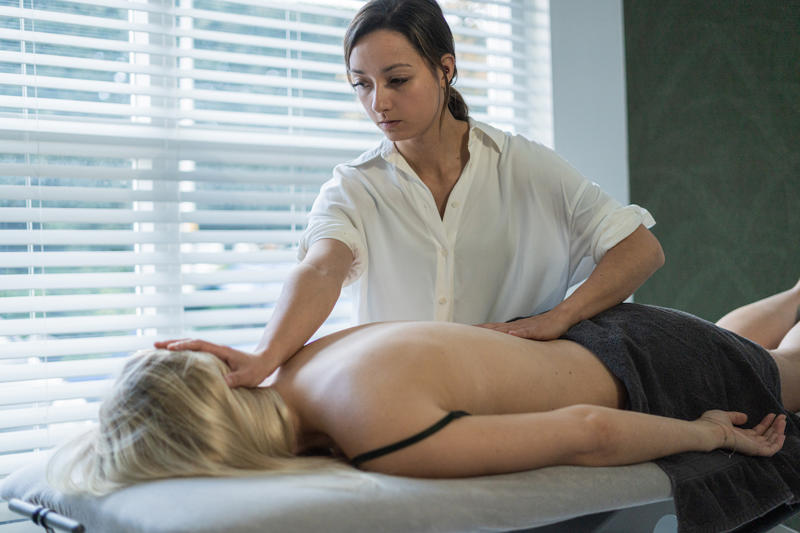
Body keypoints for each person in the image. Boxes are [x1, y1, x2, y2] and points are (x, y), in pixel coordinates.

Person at [155, 0, 664, 388]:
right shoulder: (354, 186)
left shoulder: (523, 166)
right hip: (396, 394)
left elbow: (640, 249)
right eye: (361, 84)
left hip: (509, 392)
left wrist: (558, 319)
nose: (379, 102)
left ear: (445, 69)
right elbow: (323, 268)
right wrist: (265, 356)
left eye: (397, 80)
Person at [50, 280, 800, 498]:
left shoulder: (376, 436)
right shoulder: (301, 360)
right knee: (741, 352)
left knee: (773, 375)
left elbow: (589, 431)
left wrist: (710, 434)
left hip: (648, 375)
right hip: (619, 334)